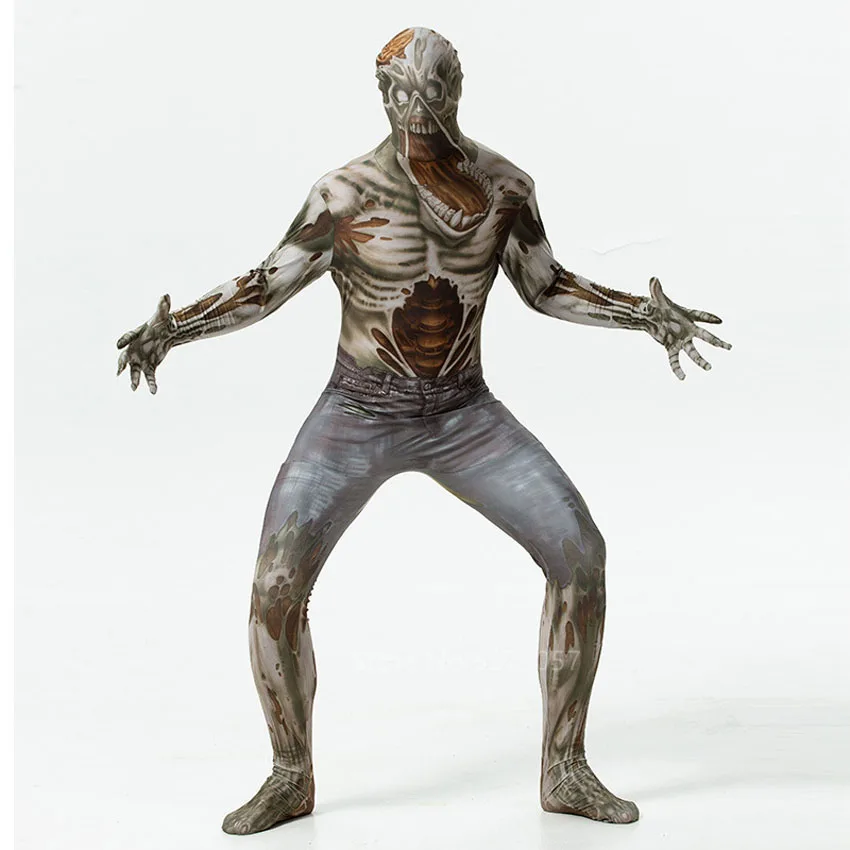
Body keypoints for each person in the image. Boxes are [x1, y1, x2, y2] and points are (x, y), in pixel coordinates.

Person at [116, 27, 731, 834]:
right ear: (382, 95)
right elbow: (267, 284)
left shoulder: (505, 186)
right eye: (405, 91)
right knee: (276, 585)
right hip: (357, 411)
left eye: (437, 88)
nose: (421, 106)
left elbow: (544, 285)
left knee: (580, 553)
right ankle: (290, 775)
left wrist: (642, 315)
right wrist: (177, 328)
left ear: (459, 88)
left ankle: (565, 768)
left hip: (462, 414)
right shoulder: (344, 194)